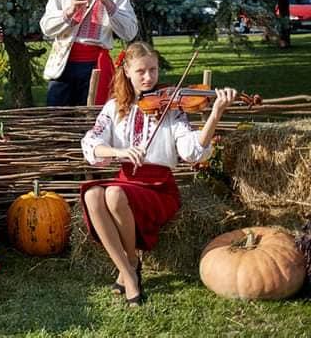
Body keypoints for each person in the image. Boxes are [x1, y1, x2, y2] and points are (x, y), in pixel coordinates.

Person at [79, 41, 237, 306]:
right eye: (141, 71)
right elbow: (91, 143)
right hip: (126, 180)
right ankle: (129, 268)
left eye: (153, 70)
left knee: (114, 194)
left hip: (159, 186)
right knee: (92, 195)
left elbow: (192, 151)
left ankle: (130, 270)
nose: (148, 77)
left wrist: (216, 114)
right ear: (127, 71)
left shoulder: (172, 109)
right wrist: (119, 152)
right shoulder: (114, 107)